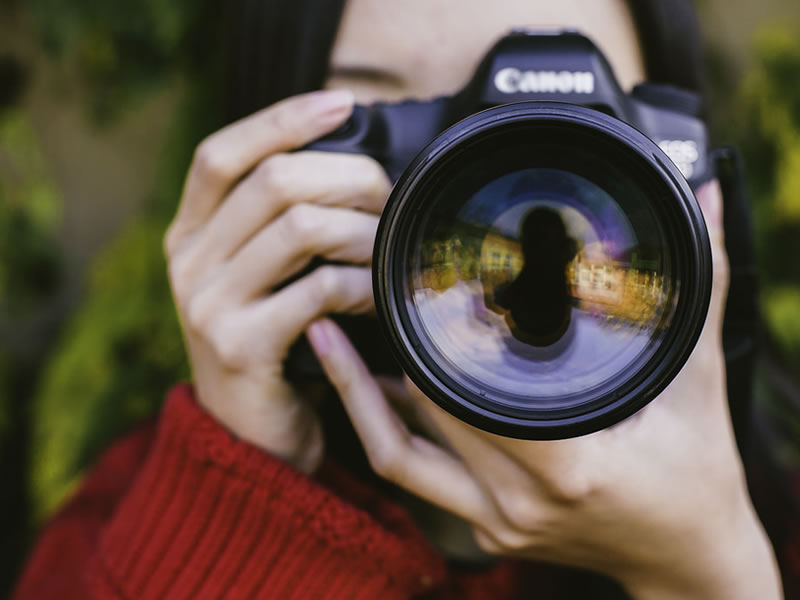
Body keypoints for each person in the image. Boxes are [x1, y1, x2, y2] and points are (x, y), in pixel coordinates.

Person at [13, 0, 785, 598]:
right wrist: (240, 493)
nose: (474, 179)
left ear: (690, 183)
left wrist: (709, 564)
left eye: (567, 129)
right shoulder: (131, 515)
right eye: (384, 118)